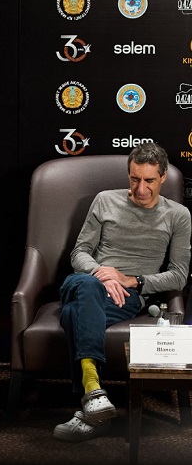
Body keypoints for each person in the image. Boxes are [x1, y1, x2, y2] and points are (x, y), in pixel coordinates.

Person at [53, 142, 191, 442]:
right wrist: (101, 273)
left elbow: (179, 276)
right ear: (128, 175)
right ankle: (93, 390)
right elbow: (80, 252)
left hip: (126, 296)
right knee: (87, 286)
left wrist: (132, 280)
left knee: (72, 313)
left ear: (163, 177)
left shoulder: (178, 215)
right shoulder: (105, 200)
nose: (141, 189)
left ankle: (91, 402)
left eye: (149, 181)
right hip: (85, 281)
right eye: (134, 179)